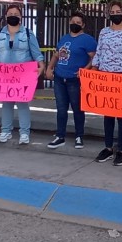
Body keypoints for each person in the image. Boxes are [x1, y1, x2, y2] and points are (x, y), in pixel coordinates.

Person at [0, 4, 44, 145]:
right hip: (3, 76)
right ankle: (5, 131)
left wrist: (41, 66)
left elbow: (37, 53)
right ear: (6, 16)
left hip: (22, 76)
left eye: (16, 13)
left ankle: (24, 133)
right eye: (10, 13)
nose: (13, 15)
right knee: (6, 104)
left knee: (22, 104)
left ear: (20, 17)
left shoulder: (28, 33)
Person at [91, 0, 122, 167]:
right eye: (112, 12)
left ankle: (121, 149)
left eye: (118, 11)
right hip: (105, 77)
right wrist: (94, 75)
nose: (115, 14)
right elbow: (99, 53)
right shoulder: (104, 32)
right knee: (108, 114)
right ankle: (108, 147)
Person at [45, 10, 97, 149]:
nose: (75, 24)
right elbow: (56, 55)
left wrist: (85, 70)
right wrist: (49, 68)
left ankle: (79, 136)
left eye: (78, 23)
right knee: (61, 109)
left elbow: (94, 57)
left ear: (83, 25)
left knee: (77, 109)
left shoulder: (88, 40)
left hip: (75, 80)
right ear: (69, 22)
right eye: (73, 22)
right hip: (60, 78)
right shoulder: (64, 38)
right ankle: (60, 136)